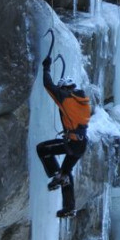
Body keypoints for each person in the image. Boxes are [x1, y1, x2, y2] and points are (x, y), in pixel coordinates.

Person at [37, 55, 91, 218]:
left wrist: (46, 67)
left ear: (65, 89)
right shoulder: (83, 101)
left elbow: (48, 85)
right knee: (67, 172)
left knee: (42, 149)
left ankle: (56, 175)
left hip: (72, 144)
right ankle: (69, 207)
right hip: (80, 145)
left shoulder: (65, 99)